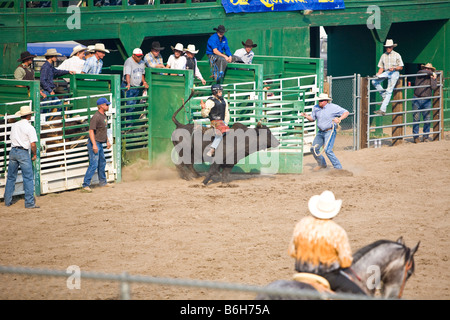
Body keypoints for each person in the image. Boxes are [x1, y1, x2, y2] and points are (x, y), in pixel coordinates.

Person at [288, 190, 366, 295]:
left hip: (302, 273)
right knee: (360, 295)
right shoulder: (337, 231)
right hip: (327, 276)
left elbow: (292, 252)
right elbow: (346, 261)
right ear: (333, 212)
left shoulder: (301, 224)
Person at [300, 93, 349, 171]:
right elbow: (312, 118)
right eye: (319, 100)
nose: (320, 102)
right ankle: (322, 164)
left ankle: (338, 168)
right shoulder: (316, 108)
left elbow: (346, 112)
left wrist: (339, 119)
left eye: (321, 100)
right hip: (320, 132)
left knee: (328, 150)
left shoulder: (333, 107)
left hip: (330, 131)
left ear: (326, 101)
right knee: (313, 149)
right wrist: (306, 116)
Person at [3, 105, 40, 209]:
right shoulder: (29, 127)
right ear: (28, 116)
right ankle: (29, 203)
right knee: (28, 178)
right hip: (23, 152)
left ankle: (7, 200)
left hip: (13, 150)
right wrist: (34, 154)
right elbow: (33, 144)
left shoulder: (14, 125)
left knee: (11, 177)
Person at [81, 97, 113, 192]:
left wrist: (107, 140)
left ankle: (103, 182)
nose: (108, 106)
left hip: (99, 142)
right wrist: (94, 145)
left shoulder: (103, 116)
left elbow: (104, 130)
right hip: (95, 143)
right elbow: (91, 131)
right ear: (101, 106)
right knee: (94, 164)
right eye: (106, 104)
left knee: (101, 162)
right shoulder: (96, 117)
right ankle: (85, 184)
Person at [371, 39, 404, 115]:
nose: (388, 48)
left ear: (392, 47)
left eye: (389, 47)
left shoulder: (397, 55)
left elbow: (401, 67)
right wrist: (378, 74)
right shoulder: (383, 55)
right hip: (387, 72)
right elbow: (381, 67)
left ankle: (383, 109)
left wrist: (394, 68)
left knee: (389, 90)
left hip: (394, 72)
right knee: (374, 81)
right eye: (387, 47)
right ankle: (384, 95)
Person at [200, 84, 230, 157]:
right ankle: (212, 149)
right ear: (215, 92)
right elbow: (204, 115)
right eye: (219, 91)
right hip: (214, 122)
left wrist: (225, 123)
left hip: (222, 122)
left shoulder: (224, 100)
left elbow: (226, 113)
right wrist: (203, 108)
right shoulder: (210, 101)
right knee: (220, 133)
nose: (221, 93)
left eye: (221, 91)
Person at [412, 63, 438, 143]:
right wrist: (432, 74)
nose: (427, 69)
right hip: (417, 98)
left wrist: (433, 79)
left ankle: (425, 136)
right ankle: (416, 137)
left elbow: (434, 87)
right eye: (426, 68)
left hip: (426, 100)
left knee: (427, 119)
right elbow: (421, 72)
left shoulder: (430, 77)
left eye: (429, 69)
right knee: (416, 119)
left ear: (431, 70)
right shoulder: (420, 73)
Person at [122, 48, 149, 126]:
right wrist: (128, 83)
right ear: (133, 56)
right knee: (129, 106)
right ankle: (128, 126)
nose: (139, 57)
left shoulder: (142, 63)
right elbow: (127, 74)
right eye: (138, 56)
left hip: (137, 87)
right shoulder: (129, 61)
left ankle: (130, 125)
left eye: (140, 56)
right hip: (129, 87)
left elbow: (142, 74)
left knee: (133, 106)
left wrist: (144, 82)